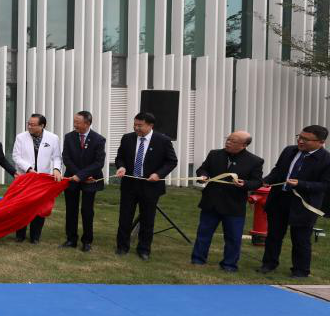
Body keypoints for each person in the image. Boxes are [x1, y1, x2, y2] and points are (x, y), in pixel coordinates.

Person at [258, 125, 330, 278]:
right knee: (274, 235)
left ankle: (300, 270)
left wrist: (301, 184)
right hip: (280, 199)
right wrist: (267, 180)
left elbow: (326, 185)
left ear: (321, 142)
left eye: (306, 139)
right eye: (300, 136)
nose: (301, 141)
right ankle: (269, 263)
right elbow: (278, 170)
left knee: (300, 238)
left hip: (305, 204)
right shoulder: (289, 151)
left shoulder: (327, 160)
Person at [191, 131, 264, 273]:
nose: (228, 142)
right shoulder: (215, 154)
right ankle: (198, 259)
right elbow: (203, 168)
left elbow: (257, 182)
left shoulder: (254, 161)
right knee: (204, 233)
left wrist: (245, 184)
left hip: (233, 205)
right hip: (211, 202)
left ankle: (229, 265)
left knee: (233, 237)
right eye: (228, 139)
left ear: (244, 145)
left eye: (233, 141)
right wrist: (203, 175)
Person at [114, 112, 178, 261]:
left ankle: (144, 249)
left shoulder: (163, 140)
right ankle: (122, 246)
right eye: (135, 124)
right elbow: (120, 157)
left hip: (150, 186)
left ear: (150, 125)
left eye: (140, 125)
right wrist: (121, 167)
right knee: (125, 217)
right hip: (129, 184)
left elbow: (171, 161)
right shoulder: (127, 138)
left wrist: (159, 174)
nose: (136, 128)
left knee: (147, 219)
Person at [12, 113, 63, 243]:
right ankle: (20, 235)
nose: (29, 127)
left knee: (39, 207)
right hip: (25, 177)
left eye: (33, 125)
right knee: (22, 206)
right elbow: (16, 157)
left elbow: (57, 157)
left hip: (43, 180)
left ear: (42, 125)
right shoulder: (20, 137)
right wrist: (29, 169)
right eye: (28, 124)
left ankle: (35, 236)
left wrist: (56, 169)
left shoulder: (53, 138)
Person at [60, 111, 106, 251]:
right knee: (71, 210)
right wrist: (78, 175)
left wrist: (83, 176)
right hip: (72, 179)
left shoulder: (98, 139)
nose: (75, 125)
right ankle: (71, 239)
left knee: (87, 211)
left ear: (87, 123)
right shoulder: (69, 137)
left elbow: (99, 162)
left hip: (90, 180)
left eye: (78, 122)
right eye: (74, 122)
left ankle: (87, 241)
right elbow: (66, 158)